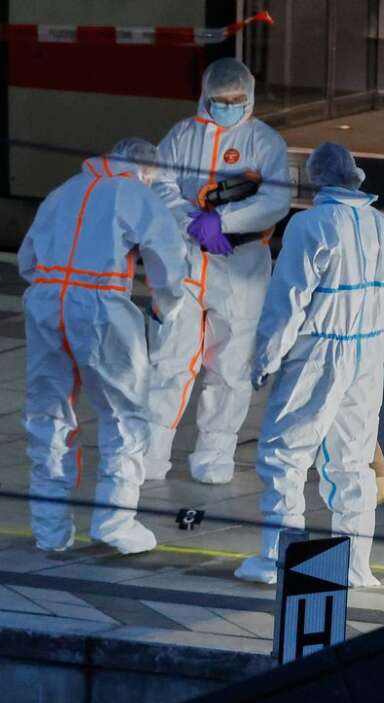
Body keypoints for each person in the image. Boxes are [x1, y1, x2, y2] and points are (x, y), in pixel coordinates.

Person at [232, 143, 384, 589]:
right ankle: (356, 566)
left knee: (285, 455)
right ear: (355, 176)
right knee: (353, 462)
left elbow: (287, 301)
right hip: (368, 354)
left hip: (319, 353)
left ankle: (280, 559)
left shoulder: (311, 226)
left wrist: (265, 358)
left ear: (315, 179)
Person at [18, 139, 188, 555]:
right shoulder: (135, 194)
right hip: (101, 306)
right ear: (145, 171)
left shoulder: (63, 191)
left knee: (48, 414)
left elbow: (27, 260)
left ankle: (50, 531)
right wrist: (166, 309)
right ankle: (115, 522)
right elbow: (169, 263)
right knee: (124, 413)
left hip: (45, 304)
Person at [148, 58, 292, 485]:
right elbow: (160, 183)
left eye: (236, 100)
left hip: (240, 270)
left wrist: (224, 221)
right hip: (186, 264)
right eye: (220, 100)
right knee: (171, 361)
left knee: (230, 368)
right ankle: (151, 456)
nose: (228, 106)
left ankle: (214, 456)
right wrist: (189, 220)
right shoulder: (182, 136)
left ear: (249, 96)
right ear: (205, 97)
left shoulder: (265, 142)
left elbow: (276, 201)